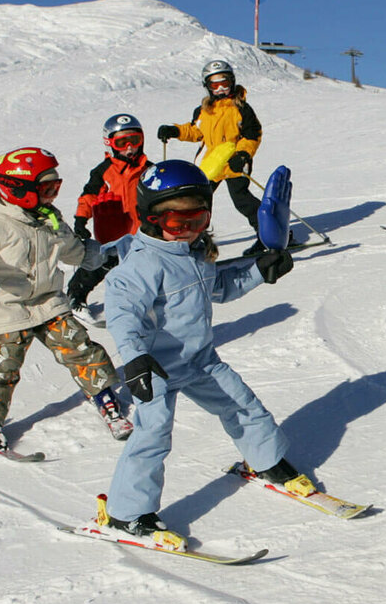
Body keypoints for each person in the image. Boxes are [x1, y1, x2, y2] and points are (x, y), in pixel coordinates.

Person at [96, 160, 312, 550]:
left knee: (243, 405)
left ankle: (265, 461)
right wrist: (134, 357)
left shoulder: (194, 253)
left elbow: (221, 287)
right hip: (154, 368)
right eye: (180, 224)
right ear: (151, 218)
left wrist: (261, 271)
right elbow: (122, 311)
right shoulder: (144, 263)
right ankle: (125, 514)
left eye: (199, 220)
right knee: (152, 437)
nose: (191, 231)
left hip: (200, 361)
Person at [0, 146, 133, 444]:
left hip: (48, 301)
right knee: (4, 364)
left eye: (56, 188)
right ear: (20, 189)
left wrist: (104, 256)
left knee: (79, 346)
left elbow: (73, 250)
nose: (53, 195)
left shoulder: (48, 219)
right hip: (8, 306)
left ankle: (103, 394)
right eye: (47, 189)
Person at [157, 59, 280, 256]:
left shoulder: (241, 109)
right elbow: (195, 131)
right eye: (215, 85)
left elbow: (252, 135)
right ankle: (194, 242)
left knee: (243, 201)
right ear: (208, 87)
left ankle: (270, 235)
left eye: (225, 83)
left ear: (232, 82)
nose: (221, 88)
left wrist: (242, 154)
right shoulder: (205, 111)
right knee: (197, 204)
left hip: (234, 164)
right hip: (210, 166)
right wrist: (175, 131)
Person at [67, 114, 151, 317]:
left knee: (146, 267)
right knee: (102, 262)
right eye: (122, 142)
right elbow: (88, 196)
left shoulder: (149, 170)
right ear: (109, 143)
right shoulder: (104, 172)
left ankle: (143, 303)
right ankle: (75, 295)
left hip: (143, 231)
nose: (130, 147)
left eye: (135, 140)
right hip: (114, 230)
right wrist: (81, 220)